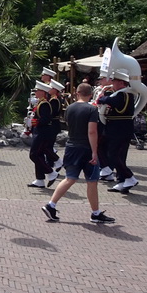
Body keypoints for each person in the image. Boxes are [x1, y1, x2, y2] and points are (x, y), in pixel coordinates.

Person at [42, 83, 115, 224]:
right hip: (85, 148)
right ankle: (95, 213)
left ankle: (51, 204)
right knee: (92, 181)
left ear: (77, 93)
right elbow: (92, 131)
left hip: (71, 146)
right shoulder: (92, 109)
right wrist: (94, 152)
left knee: (70, 178)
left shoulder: (69, 108)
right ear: (90, 94)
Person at [98, 70, 138, 193]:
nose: (112, 83)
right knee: (104, 149)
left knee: (115, 156)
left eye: (114, 81)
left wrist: (103, 98)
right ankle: (120, 179)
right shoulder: (119, 94)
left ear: (121, 82)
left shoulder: (125, 94)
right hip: (113, 129)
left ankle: (129, 177)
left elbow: (112, 102)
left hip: (120, 130)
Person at [27, 82, 58, 188]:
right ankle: (39, 179)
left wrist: (36, 122)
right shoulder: (40, 103)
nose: (35, 92)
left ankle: (51, 172)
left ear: (43, 92)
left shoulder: (44, 104)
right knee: (38, 155)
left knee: (34, 154)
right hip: (38, 131)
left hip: (42, 132)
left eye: (37, 91)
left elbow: (46, 119)